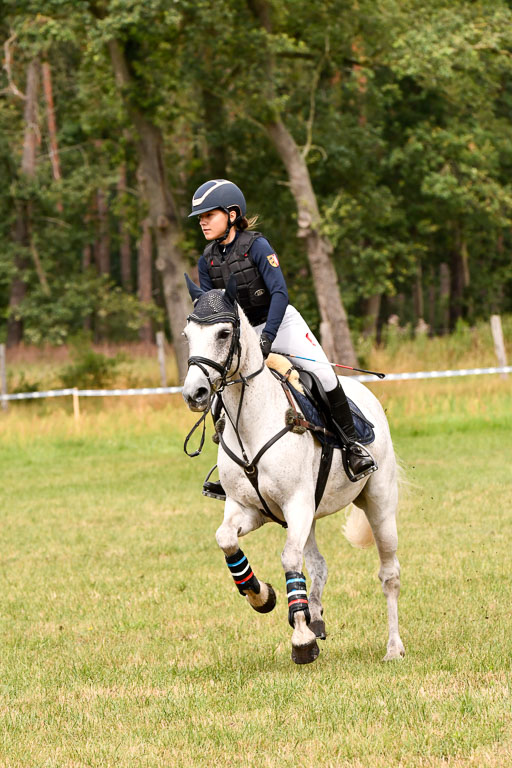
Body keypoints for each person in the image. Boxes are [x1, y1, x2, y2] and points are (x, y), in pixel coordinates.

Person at [189, 179, 376, 496]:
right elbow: (214, 308)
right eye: (200, 217)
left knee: (322, 375)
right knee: (221, 390)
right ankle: (231, 470)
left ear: (232, 215)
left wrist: (268, 337)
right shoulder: (206, 260)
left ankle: (353, 446)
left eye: (209, 215)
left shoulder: (257, 246)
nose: (202, 222)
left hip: (280, 322)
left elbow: (279, 293)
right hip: (241, 333)